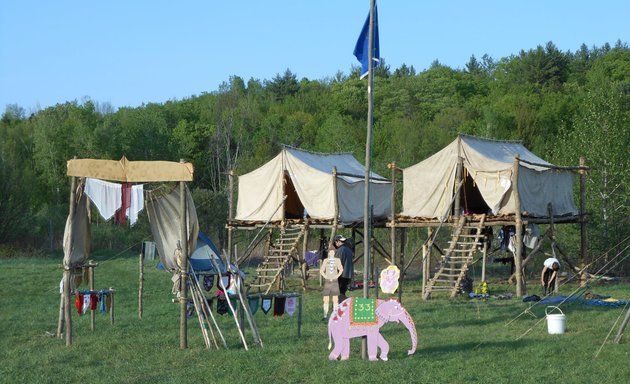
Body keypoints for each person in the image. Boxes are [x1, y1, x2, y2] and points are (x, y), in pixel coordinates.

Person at [319, 245, 343, 320]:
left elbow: (341, 269)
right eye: (330, 252)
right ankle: (325, 315)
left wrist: (337, 276)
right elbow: (321, 270)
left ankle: (335, 315)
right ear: (329, 253)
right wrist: (325, 276)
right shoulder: (326, 260)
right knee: (326, 299)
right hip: (328, 281)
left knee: (335, 299)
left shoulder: (337, 260)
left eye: (333, 252)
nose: (332, 253)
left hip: (335, 281)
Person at [334, 235, 354, 300]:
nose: (335, 243)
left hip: (341, 275)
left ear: (338, 241)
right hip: (348, 275)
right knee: (343, 292)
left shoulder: (340, 250)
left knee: (338, 294)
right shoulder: (349, 250)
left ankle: (338, 307)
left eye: (336, 242)